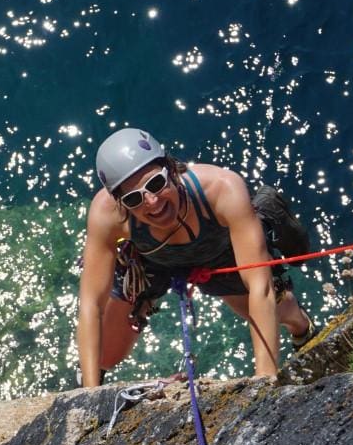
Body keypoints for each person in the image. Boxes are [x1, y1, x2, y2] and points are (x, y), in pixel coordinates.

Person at [77, 127, 313, 388]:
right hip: (150, 260)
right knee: (106, 357)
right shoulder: (106, 214)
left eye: (156, 183)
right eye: (134, 198)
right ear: (119, 201)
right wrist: (89, 395)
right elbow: (90, 305)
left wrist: (264, 382)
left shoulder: (222, 189)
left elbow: (260, 287)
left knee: (267, 310)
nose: (152, 201)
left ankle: (300, 326)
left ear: (171, 168)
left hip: (219, 254)